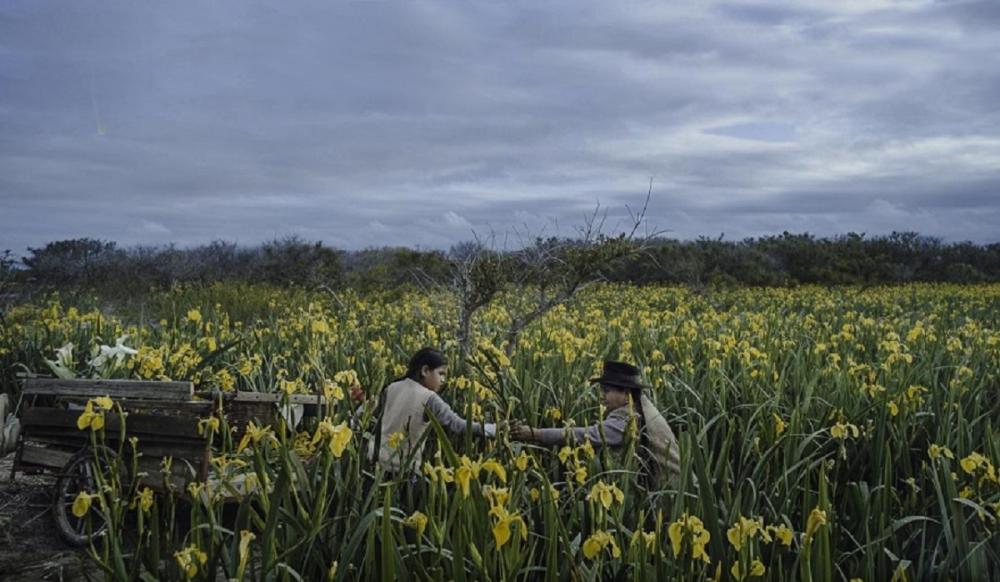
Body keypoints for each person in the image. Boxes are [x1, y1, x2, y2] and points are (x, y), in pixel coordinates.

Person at [511, 361, 681, 487]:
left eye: (606, 391)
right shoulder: (641, 405)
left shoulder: (630, 419)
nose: (601, 396)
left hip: (670, 493)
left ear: (626, 393)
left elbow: (588, 434)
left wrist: (534, 434)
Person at [362, 347, 496, 477]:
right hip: (403, 470)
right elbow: (458, 425)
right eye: (441, 373)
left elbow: (366, 413)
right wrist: (494, 429)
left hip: (374, 462)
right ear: (425, 370)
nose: (443, 380)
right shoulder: (429, 399)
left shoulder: (391, 387)